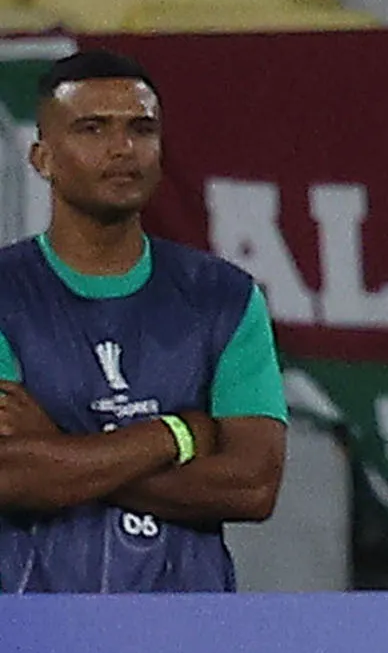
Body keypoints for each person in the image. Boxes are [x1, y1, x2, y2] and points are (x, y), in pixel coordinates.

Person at [0, 48, 285, 592]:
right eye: (92, 129)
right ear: (42, 158)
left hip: (187, 636)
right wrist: (173, 433)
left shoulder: (224, 297)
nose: (122, 148)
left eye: (141, 129)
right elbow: (9, 476)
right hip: (29, 638)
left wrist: (61, 447)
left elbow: (253, 486)